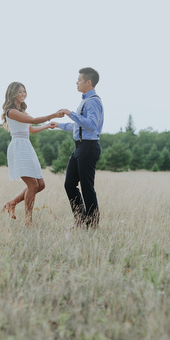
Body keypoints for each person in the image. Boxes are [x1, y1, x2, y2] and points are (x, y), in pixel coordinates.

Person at [1, 82, 63, 226]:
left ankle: (11, 203)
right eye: (19, 92)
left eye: (24, 91)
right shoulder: (11, 111)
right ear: (12, 94)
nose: (23, 94)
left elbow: (32, 129)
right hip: (18, 147)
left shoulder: (21, 112)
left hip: (27, 147)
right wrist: (53, 115)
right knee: (33, 186)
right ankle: (28, 220)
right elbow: (34, 121)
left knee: (40, 185)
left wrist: (47, 126)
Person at [50, 67, 104, 228]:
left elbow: (92, 125)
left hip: (88, 147)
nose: (76, 82)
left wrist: (71, 113)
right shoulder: (85, 100)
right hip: (79, 147)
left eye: (79, 80)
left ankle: (92, 224)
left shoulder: (93, 100)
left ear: (88, 82)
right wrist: (59, 125)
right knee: (69, 184)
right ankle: (80, 220)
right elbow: (78, 126)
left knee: (87, 187)